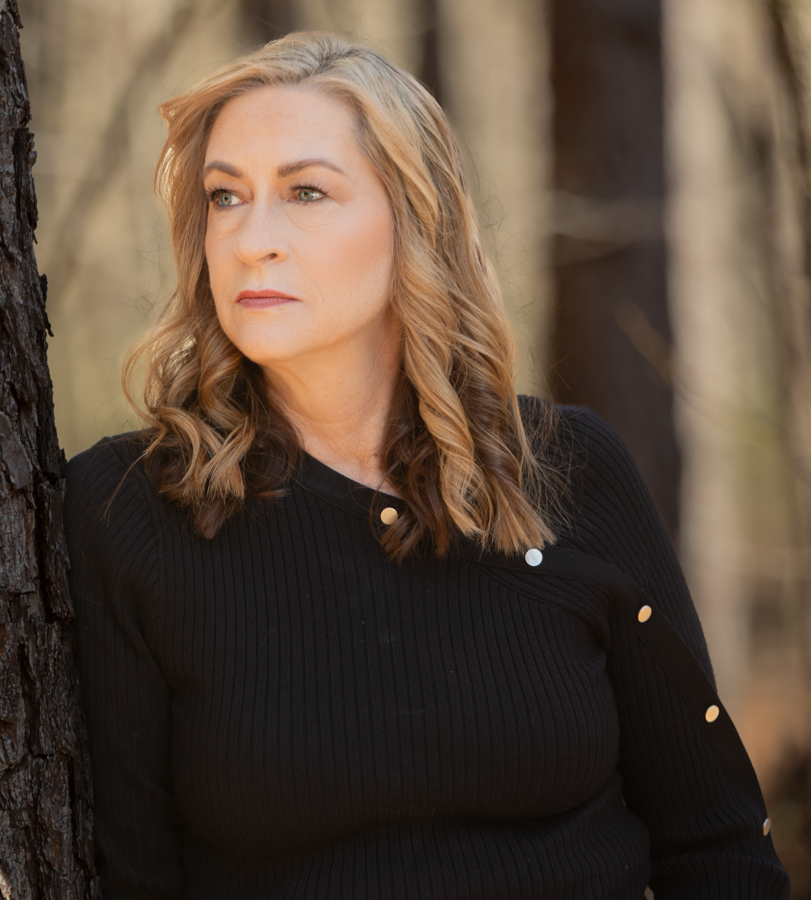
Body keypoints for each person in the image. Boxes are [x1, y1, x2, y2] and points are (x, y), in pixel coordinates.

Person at [63, 32, 790, 899]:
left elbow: (717, 843)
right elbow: (134, 879)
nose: (252, 238)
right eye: (226, 197)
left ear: (416, 218)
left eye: (305, 192)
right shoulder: (129, 511)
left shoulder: (570, 472)